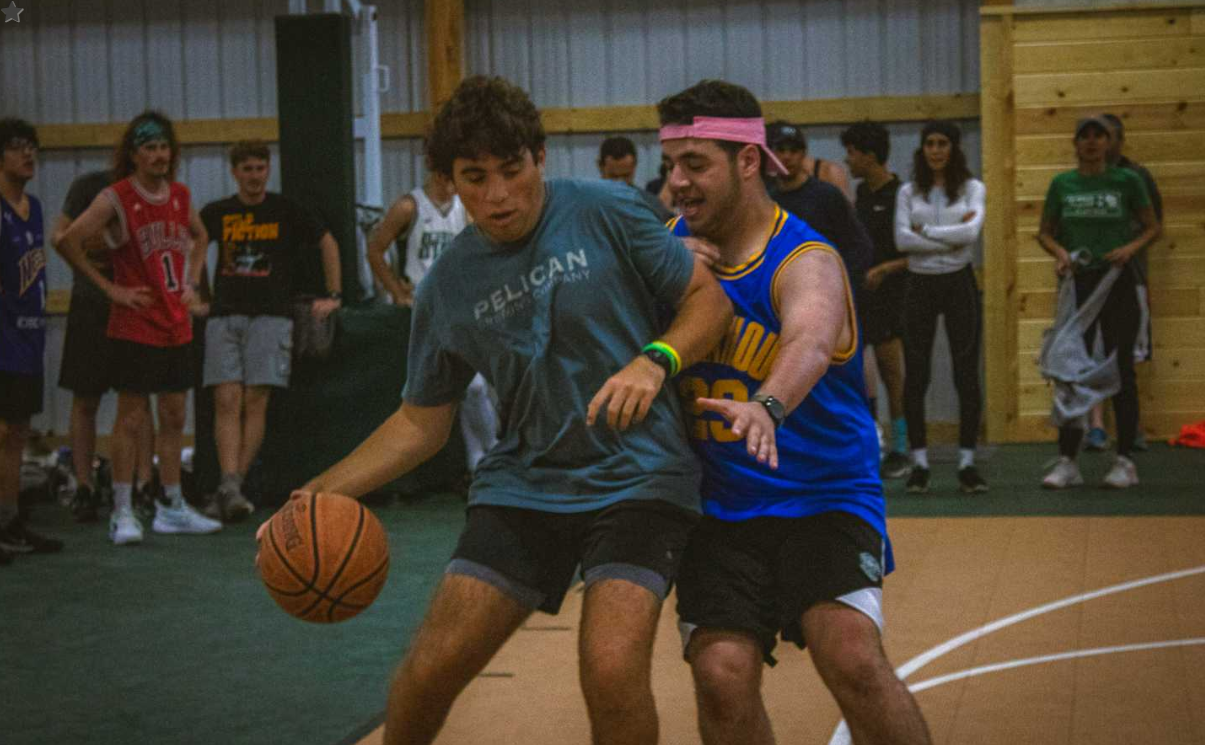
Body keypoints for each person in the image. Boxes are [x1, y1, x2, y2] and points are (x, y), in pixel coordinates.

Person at [258, 75, 733, 745]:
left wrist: (654, 359)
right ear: (450, 182)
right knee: (428, 670)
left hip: (640, 477)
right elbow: (422, 421)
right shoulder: (448, 283)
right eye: (474, 177)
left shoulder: (607, 210)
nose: (497, 194)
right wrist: (315, 492)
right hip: (526, 483)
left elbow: (706, 300)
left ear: (538, 157)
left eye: (511, 170)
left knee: (610, 666)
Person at [659, 80, 931, 745]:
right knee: (721, 674)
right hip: (718, 506)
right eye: (671, 165)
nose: (677, 183)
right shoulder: (665, 247)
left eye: (695, 164)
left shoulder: (805, 256)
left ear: (747, 161)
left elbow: (808, 339)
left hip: (822, 495)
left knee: (851, 655)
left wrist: (767, 405)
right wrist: (661, 273)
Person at [55, 110, 222, 545]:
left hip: (175, 321)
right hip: (134, 324)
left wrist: (191, 280)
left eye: (164, 146)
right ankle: (123, 511)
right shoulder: (117, 197)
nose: (159, 155)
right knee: (130, 417)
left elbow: (201, 236)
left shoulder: (180, 195)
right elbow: (65, 240)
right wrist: (110, 288)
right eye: (150, 147)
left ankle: (171, 505)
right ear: (133, 154)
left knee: (173, 415)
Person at [198, 140, 342, 521]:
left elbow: (327, 241)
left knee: (255, 400)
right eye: (247, 169)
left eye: (260, 168)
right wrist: (194, 293)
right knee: (226, 399)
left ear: (268, 169)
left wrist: (334, 294)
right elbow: (190, 245)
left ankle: (231, 487)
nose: (254, 176)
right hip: (225, 315)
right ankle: (231, 485)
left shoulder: (284, 210)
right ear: (234, 172)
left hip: (271, 316)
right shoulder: (218, 212)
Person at [1038, 115, 1159, 490]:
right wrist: (1060, 253)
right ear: (1075, 144)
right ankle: (1068, 461)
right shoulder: (1062, 184)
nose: (1091, 143)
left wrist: (1131, 249)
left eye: (1098, 136)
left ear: (1110, 142)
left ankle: (1124, 460)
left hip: (1118, 282)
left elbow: (1153, 226)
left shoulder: (1128, 181)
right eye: (1084, 137)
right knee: (1071, 370)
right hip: (1079, 286)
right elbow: (1044, 232)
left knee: (1121, 368)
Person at [366, 155, 499, 476]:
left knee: (475, 387)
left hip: (459, 303)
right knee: (451, 391)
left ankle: (485, 457)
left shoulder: (463, 208)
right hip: (423, 306)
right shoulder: (409, 207)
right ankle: (485, 456)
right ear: (439, 173)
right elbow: (375, 248)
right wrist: (396, 290)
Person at [50, 169, 157, 522]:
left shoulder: (148, 191)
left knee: (138, 401)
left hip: (135, 307)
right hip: (91, 306)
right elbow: (61, 237)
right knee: (85, 399)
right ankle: (84, 485)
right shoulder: (89, 187)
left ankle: (145, 483)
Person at [894, 121, 988, 494]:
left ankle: (967, 463)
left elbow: (971, 236)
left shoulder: (971, 188)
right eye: (929, 143)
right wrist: (949, 238)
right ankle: (919, 464)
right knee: (917, 374)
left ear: (953, 148)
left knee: (965, 371)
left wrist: (927, 233)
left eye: (942, 143)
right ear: (922, 149)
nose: (936, 150)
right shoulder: (908, 191)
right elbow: (901, 240)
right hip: (919, 284)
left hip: (958, 282)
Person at [0, 118, 65, 563]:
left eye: (33, 148)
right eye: (18, 147)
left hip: (28, 335)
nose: (29, 155)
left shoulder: (35, 207)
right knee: (3, 430)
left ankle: (10, 520)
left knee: (17, 433)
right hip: (2, 336)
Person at [1082, 112, 1163, 453]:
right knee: (1093, 350)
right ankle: (1096, 425)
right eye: (1094, 136)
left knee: (1127, 353)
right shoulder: (1078, 180)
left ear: (1118, 140)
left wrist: (1128, 249)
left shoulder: (1137, 176)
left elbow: (1154, 226)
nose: (1100, 143)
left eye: (1107, 136)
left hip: (1129, 276)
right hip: (1089, 278)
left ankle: (1133, 428)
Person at [843, 120, 911, 479]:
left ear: (870, 156)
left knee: (892, 374)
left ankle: (902, 447)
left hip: (894, 296)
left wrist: (886, 269)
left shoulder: (901, 193)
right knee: (861, 374)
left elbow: (919, 254)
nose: (848, 160)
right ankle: (872, 444)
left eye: (852, 153)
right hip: (862, 296)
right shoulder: (860, 197)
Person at [765, 120, 852, 200]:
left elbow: (846, 213)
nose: (787, 156)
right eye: (780, 150)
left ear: (803, 153)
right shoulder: (766, 187)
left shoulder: (829, 176)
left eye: (794, 150)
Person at [598, 135, 675, 223]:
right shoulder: (587, 205)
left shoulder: (651, 207)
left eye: (626, 176)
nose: (619, 183)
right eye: (613, 177)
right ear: (600, 167)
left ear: (634, 166)